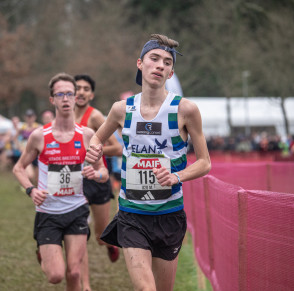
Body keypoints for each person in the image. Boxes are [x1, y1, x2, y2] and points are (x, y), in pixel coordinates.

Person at [85, 34, 211, 290]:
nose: (160, 65)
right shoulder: (122, 109)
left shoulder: (185, 110)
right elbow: (97, 137)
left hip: (169, 214)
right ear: (140, 64)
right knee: (146, 288)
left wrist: (177, 177)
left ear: (171, 72)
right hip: (132, 214)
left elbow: (204, 162)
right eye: (154, 59)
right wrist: (94, 150)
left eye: (166, 62)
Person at [12, 73, 109, 290]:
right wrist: (30, 190)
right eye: (60, 94)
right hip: (48, 213)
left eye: (69, 94)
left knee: (74, 272)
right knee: (55, 275)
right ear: (52, 99)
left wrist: (96, 175)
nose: (65, 99)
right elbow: (18, 168)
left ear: (76, 98)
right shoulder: (39, 136)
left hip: (77, 210)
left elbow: (103, 171)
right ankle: (44, 251)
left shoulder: (87, 135)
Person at [73, 74, 123, 291]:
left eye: (85, 89)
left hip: (98, 178)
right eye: (77, 88)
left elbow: (117, 148)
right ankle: (85, 285)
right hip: (76, 181)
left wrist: (93, 151)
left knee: (101, 236)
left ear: (91, 95)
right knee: (79, 233)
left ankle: (109, 243)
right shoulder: (64, 118)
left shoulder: (95, 117)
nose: (81, 92)